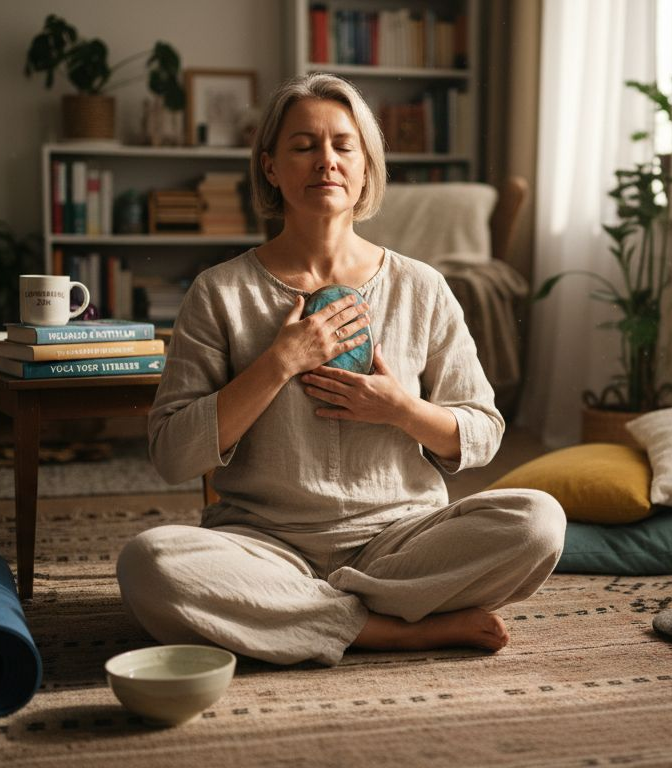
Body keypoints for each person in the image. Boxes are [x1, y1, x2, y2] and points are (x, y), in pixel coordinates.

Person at [116, 74, 566, 666]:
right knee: (149, 564)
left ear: (365, 168)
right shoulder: (219, 292)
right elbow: (173, 454)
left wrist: (400, 408)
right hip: (263, 543)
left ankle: (299, 616)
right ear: (271, 167)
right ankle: (392, 629)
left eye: (343, 145)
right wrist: (280, 362)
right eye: (303, 145)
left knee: (539, 522)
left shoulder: (422, 287)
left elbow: (482, 433)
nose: (325, 161)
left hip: (402, 540)